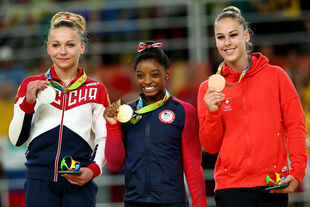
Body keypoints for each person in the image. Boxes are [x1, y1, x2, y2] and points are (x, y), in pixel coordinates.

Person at [197, 6, 308, 207]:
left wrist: (298, 171)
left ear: (246, 35)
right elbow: (210, 146)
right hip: (230, 189)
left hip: (273, 184)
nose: (227, 43)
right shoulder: (208, 88)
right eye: (221, 37)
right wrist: (212, 112)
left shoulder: (277, 76)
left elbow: (296, 126)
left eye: (233, 35)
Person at [8, 11, 109, 207]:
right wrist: (27, 102)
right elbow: (16, 139)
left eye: (70, 45)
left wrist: (94, 169)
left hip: (79, 181)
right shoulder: (31, 84)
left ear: (82, 47)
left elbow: (104, 138)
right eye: (56, 45)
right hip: (39, 182)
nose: (63, 52)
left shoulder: (97, 89)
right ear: (47, 48)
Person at [104, 41, 207, 207]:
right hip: (134, 202)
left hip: (172, 203)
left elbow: (193, 166)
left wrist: (200, 203)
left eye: (154, 74)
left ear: (167, 73)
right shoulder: (125, 113)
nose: (147, 81)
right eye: (140, 75)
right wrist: (112, 126)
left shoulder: (184, 111)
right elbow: (115, 164)